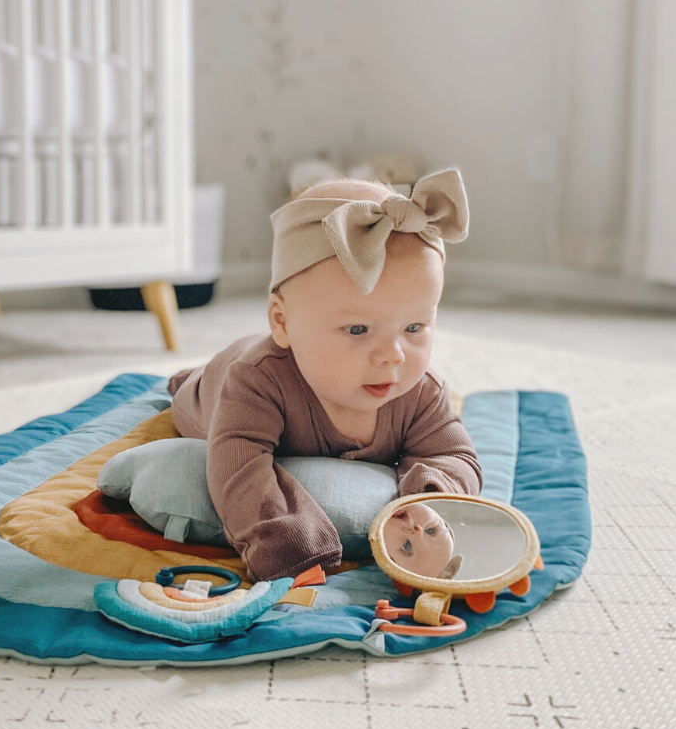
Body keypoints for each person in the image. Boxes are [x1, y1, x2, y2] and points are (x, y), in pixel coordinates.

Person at [168, 170, 482, 581]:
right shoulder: (255, 383)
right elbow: (238, 470)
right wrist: (285, 542)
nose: (393, 355)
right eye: (357, 329)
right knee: (190, 388)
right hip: (216, 386)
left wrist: (432, 494)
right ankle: (185, 377)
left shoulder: (420, 392)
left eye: (414, 328)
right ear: (283, 322)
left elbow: (456, 457)